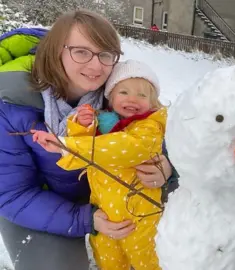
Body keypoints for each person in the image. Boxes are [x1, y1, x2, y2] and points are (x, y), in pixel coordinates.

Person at [0, 10, 176, 270]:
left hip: (119, 200)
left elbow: (169, 139)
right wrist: (86, 219)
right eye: (81, 52)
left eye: (105, 54)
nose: (96, 67)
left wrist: (168, 169)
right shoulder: (12, 103)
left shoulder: (121, 91)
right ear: (56, 51)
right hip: (44, 205)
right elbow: (12, 194)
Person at [31, 59, 167, 270]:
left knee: (147, 261)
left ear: (153, 102)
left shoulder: (150, 127)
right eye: (124, 92)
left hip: (141, 218)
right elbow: (93, 146)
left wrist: (68, 146)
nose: (132, 99)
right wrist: (82, 127)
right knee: (108, 259)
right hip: (105, 214)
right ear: (110, 97)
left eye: (142, 95)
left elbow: (125, 147)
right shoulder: (106, 123)